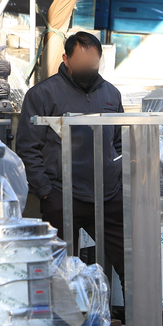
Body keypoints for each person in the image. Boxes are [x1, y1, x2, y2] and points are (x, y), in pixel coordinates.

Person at [16, 31, 126, 293]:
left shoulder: (111, 94)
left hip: (107, 195)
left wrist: (117, 178)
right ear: (66, 59)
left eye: (93, 62)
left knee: (130, 261)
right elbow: (27, 148)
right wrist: (46, 192)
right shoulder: (42, 95)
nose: (89, 68)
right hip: (62, 194)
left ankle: (139, 321)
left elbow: (120, 142)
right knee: (58, 268)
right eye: (82, 62)